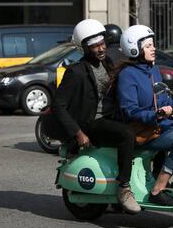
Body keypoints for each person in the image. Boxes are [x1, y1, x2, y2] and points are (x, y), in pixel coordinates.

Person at [51, 19, 141, 214]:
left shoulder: (107, 63)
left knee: (151, 128)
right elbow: (58, 106)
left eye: (102, 44)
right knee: (126, 134)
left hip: (111, 118)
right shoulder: (76, 71)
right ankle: (124, 189)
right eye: (94, 46)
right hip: (92, 123)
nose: (101, 49)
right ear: (84, 48)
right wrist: (78, 133)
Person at [116, 24, 173, 206]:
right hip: (142, 130)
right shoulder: (128, 75)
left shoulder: (153, 70)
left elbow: (163, 101)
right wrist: (154, 114)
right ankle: (158, 190)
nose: (153, 48)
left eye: (153, 44)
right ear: (135, 48)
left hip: (158, 125)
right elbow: (129, 109)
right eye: (148, 46)